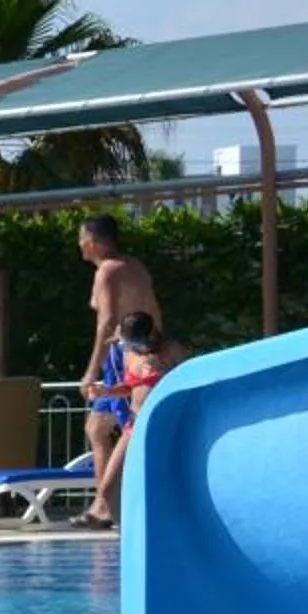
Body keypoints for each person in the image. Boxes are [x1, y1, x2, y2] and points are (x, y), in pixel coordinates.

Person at [74, 312, 185, 532]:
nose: (132, 347)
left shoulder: (172, 351)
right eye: (127, 343)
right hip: (135, 424)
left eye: (135, 342)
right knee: (107, 489)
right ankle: (128, 534)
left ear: (150, 335)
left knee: (161, 479)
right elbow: (130, 387)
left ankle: (165, 528)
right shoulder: (129, 355)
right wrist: (106, 391)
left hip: (163, 423)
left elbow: (188, 381)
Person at [75, 216, 162, 475]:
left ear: (92, 243)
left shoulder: (107, 271)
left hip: (121, 354)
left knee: (132, 430)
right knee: (97, 429)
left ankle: (117, 503)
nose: (79, 244)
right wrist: (157, 347)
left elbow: (107, 321)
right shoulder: (134, 266)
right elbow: (154, 311)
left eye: (81, 239)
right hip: (138, 348)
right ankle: (105, 503)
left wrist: (90, 373)